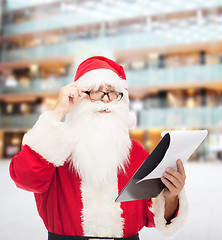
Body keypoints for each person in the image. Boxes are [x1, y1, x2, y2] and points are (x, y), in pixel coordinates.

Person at [9, 56, 188, 240]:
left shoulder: (136, 153)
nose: (105, 100)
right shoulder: (54, 146)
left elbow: (152, 217)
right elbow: (26, 178)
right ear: (79, 96)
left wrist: (172, 195)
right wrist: (58, 112)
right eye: (96, 91)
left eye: (111, 92)